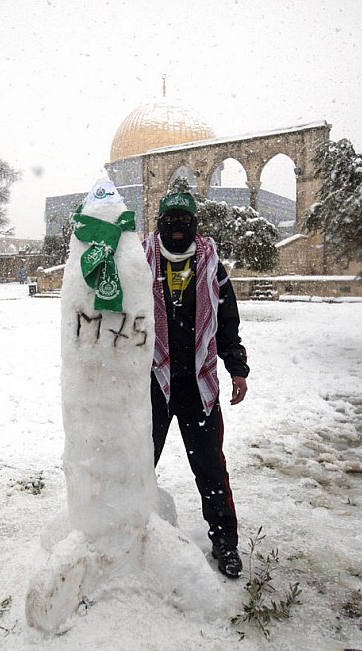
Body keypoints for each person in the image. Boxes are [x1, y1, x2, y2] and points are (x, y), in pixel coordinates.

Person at [144, 190, 249, 579]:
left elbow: (227, 322)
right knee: (139, 464)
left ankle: (225, 543)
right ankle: (126, 536)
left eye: (183, 222)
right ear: (158, 223)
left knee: (210, 469)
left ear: (194, 225)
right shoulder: (140, 261)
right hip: (153, 384)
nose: (176, 229)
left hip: (197, 385)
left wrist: (236, 367)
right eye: (169, 221)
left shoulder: (211, 265)